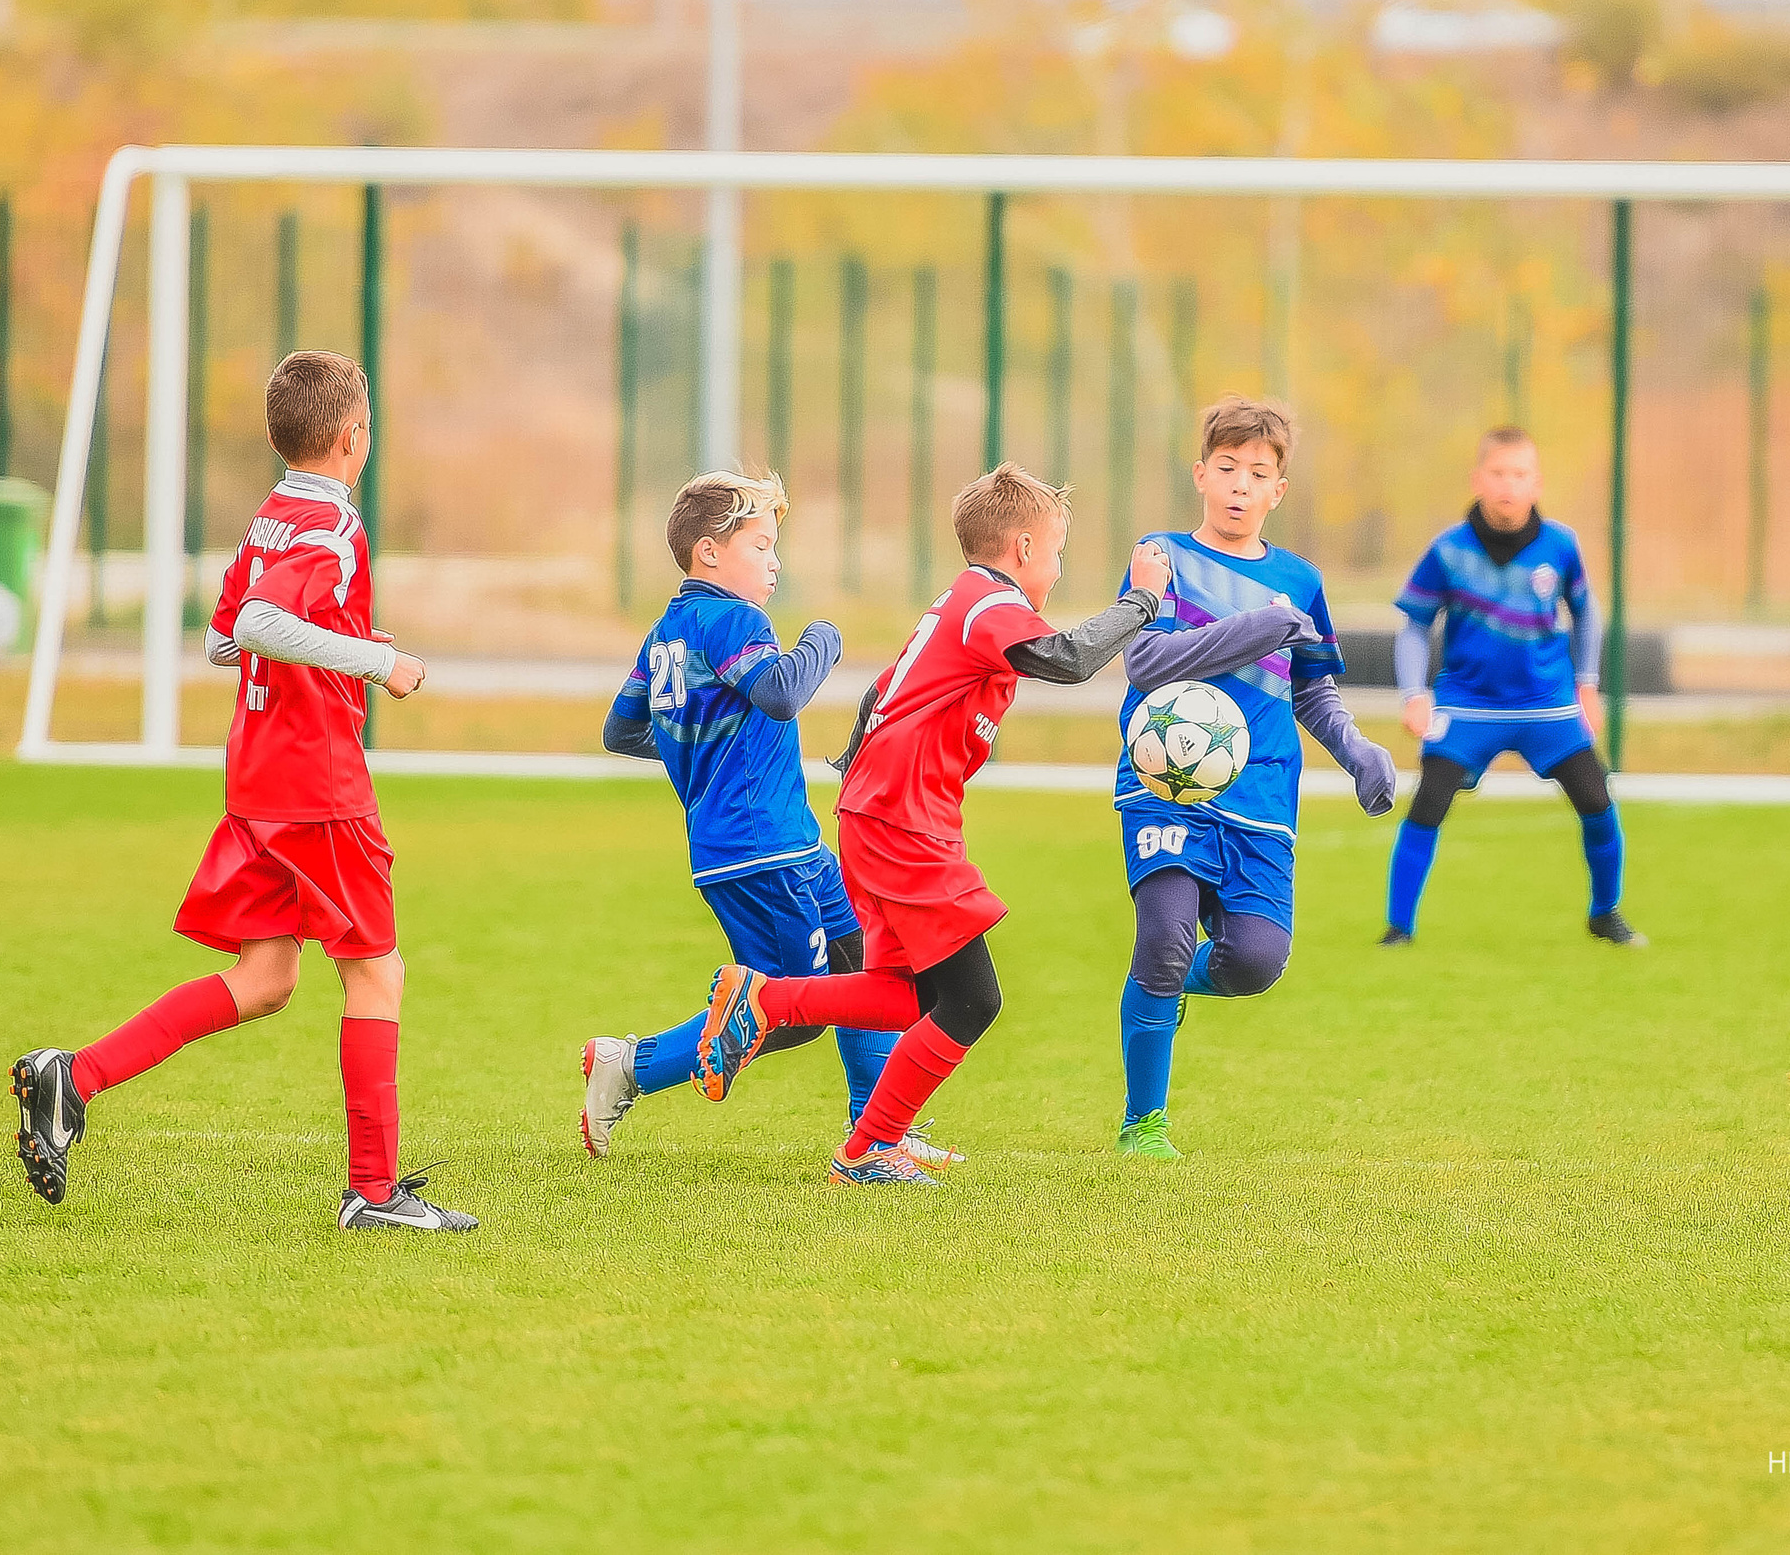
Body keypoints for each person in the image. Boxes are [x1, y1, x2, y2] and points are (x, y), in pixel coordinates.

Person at [9, 350, 477, 1232]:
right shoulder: (331, 527)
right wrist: (374, 661)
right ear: (354, 436)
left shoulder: (271, 517)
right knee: (376, 971)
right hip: (317, 782)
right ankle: (374, 1193)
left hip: (259, 776)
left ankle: (74, 1076)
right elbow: (259, 624)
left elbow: (222, 639)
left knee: (265, 978)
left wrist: (341, 635)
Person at [679, 463, 1173, 1185]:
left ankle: (767, 1002)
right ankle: (868, 1148)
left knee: (908, 995)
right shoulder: (990, 601)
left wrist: (860, 772)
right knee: (973, 1000)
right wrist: (1143, 600)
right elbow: (1065, 659)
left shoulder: (965, 602)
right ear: (1024, 548)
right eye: (1058, 553)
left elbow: (884, 688)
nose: (1058, 569)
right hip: (903, 820)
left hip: (887, 814)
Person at [578, 471, 957, 1168]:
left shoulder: (667, 632)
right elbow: (780, 692)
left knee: (864, 964)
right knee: (787, 1010)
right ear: (709, 552)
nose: (775, 561)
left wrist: (701, 748)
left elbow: (621, 730)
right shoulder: (736, 620)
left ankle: (879, 1132)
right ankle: (631, 1065)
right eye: (760, 545)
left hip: (788, 844)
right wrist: (824, 639)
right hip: (760, 850)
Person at [1110, 397, 1400, 1160]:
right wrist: (1254, 627)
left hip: (1263, 794)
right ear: (1201, 473)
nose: (1241, 483)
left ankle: (1161, 988)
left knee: (1255, 963)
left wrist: (1356, 748)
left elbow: (1312, 689)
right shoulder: (1160, 558)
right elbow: (1145, 662)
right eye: (1228, 466)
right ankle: (1144, 1123)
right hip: (1166, 787)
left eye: (1259, 472)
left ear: (1279, 489)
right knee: (1165, 937)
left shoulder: (1299, 580)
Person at [1382, 425, 1643, 949]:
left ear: (1536, 483)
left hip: (1547, 706)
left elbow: (1587, 615)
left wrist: (1587, 685)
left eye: (1520, 474)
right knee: (1428, 803)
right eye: (1498, 473)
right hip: (1467, 705)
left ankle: (1605, 913)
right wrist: (1414, 693)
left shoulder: (1561, 545)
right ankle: (1398, 929)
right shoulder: (1448, 550)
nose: (1508, 484)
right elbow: (1414, 625)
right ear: (1478, 480)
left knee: (1597, 801)